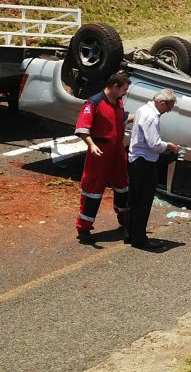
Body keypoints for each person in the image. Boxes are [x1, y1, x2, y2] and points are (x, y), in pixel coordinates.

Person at [74, 72, 132, 244]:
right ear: (114, 87)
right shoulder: (94, 103)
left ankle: (124, 219)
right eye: (124, 89)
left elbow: (122, 119)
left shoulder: (118, 102)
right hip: (100, 153)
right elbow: (82, 127)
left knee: (123, 186)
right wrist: (91, 145)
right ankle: (84, 228)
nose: (125, 93)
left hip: (117, 153)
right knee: (92, 190)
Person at [127, 89, 181, 249]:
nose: (169, 111)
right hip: (144, 162)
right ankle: (139, 238)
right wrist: (169, 146)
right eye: (169, 107)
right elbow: (155, 145)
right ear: (162, 103)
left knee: (134, 200)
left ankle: (130, 233)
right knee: (143, 202)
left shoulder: (142, 109)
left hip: (135, 159)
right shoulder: (152, 117)